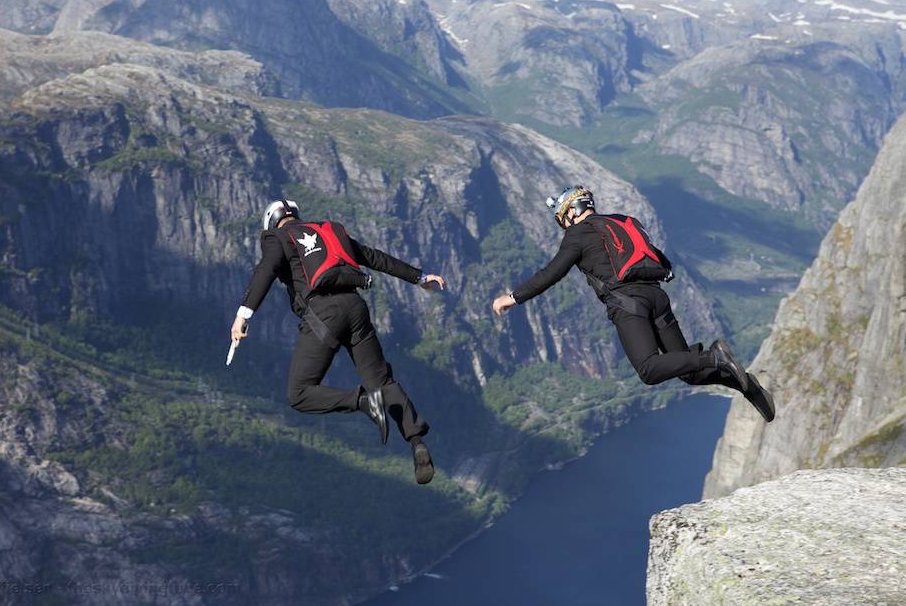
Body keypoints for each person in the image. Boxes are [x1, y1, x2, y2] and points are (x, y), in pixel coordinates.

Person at [491, 186, 775, 422]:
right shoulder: (620, 222)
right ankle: (745, 385)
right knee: (689, 373)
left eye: (562, 218)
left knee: (650, 370)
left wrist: (512, 298)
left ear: (571, 212)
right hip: (656, 297)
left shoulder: (577, 234)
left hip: (628, 304)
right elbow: (660, 259)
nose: (563, 225)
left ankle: (715, 356)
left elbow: (551, 273)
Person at [231, 199, 447, 484]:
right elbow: (374, 257)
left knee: (299, 394)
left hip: (323, 316)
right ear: (296, 214)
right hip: (356, 308)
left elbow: (266, 270)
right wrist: (420, 278)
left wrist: (243, 314)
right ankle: (417, 442)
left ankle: (363, 402)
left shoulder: (278, 237)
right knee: (382, 381)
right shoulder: (329, 231)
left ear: (272, 221)